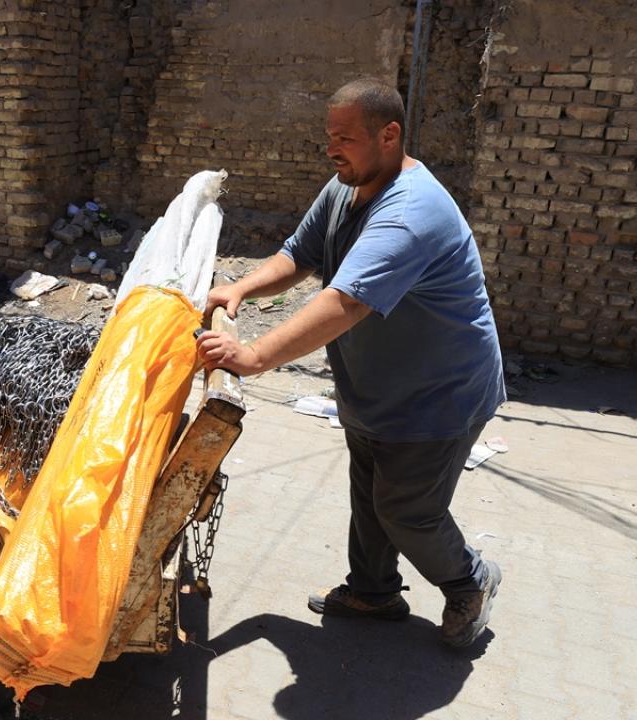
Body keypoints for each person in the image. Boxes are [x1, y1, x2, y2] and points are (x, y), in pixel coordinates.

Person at [196, 78, 506, 648]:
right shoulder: (348, 186)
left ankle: (470, 580)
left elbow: (347, 301)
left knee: (406, 510)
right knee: (369, 497)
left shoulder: (410, 211)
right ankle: (373, 592)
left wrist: (254, 356)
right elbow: (300, 253)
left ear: (389, 135)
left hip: (439, 394)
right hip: (376, 387)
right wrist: (241, 289)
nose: (331, 150)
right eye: (329, 137)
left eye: (345, 138)